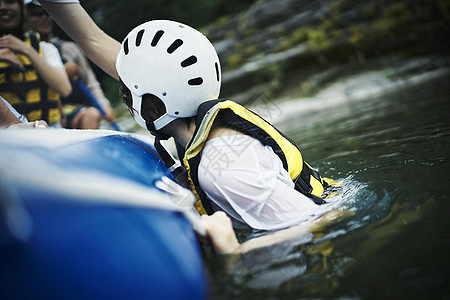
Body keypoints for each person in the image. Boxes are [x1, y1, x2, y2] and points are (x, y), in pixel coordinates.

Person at [116, 20, 335, 232]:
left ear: (141, 97)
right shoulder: (200, 137)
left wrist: (232, 251)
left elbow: (325, 218)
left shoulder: (222, 171)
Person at [26, 1, 116, 129]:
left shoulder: (68, 49)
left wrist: (104, 106)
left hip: (72, 111)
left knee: (91, 115)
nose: (44, 18)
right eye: (36, 14)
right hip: (38, 116)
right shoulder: (17, 51)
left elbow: (90, 82)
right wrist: (62, 73)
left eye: (47, 13)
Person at [0, 0, 70, 127]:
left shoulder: (45, 48)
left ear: (21, 8)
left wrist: (26, 50)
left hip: (49, 128)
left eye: (10, 1)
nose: (3, 7)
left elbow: (64, 89)